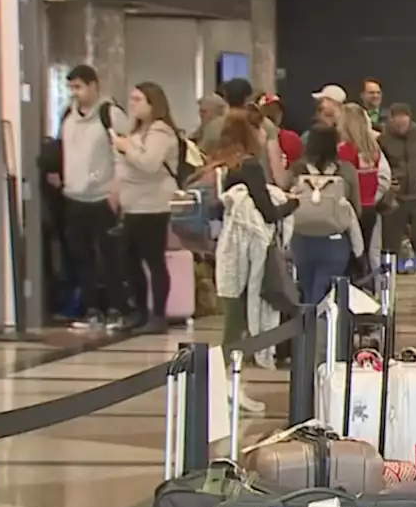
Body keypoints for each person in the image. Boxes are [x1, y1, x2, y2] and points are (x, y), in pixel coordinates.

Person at [195, 111, 298, 409]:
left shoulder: (224, 166)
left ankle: (226, 386)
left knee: (232, 321)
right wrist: (292, 203)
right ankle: (221, 386)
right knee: (236, 325)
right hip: (246, 256)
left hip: (229, 252)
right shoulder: (250, 165)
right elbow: (268, 212)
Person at [54, 64, 131, 331]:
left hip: (103, 197)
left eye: (79, 87)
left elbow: (122, 153)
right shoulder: (67, 116)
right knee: (80, 256)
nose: (75, 93)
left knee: (110, 257)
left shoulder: (110, 114)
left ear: (94, 86)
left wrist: (116, 189)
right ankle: (91, 309)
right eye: (71, 87)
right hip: (74, 196)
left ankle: (117, 308)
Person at [114, 81, 180, 334]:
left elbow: (149, 163)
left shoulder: (161, 132)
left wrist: (126, 147)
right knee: (130, 260)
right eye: (131, 99)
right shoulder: (137, 130)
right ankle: (139, 312)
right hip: (132, 204)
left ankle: (158, 315)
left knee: (153, 260)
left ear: (153, 104)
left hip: (153, 204)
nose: (133, 105)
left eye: (138, 100)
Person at [288, 124, 365, 306]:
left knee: (306, 289)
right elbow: (356, 208)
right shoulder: (346, 170)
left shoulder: (297, 169)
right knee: (326, 293)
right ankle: (326, 332)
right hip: (335, 242)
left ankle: (307, 332)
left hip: (301, 239)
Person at [378, 103, 416, 297]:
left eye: (405, 122)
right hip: (395, 199)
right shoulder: (383, 140)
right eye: (398, 123)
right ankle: (387, 289)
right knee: (390, 245)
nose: (402, 126)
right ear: (392, 120)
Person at [199, 78, 285, 186]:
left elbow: (203, 160)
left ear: (225, 97)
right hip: (260, 189)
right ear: (249, 98)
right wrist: (283, 187)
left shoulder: (213, 127)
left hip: (225, 189)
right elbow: (275, 166)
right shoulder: (264, 124)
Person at [338, 103, 392, 270]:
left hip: (351, 209)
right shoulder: (373, 149)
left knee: (352, 256)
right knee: (370, 252)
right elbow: (384, 178)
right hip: (370, 208)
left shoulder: (344, 150)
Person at [257, 94, 303, 168]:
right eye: (268, 109)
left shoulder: (290, 138)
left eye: (275, 110)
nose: (272, 113)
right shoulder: (290, 138)